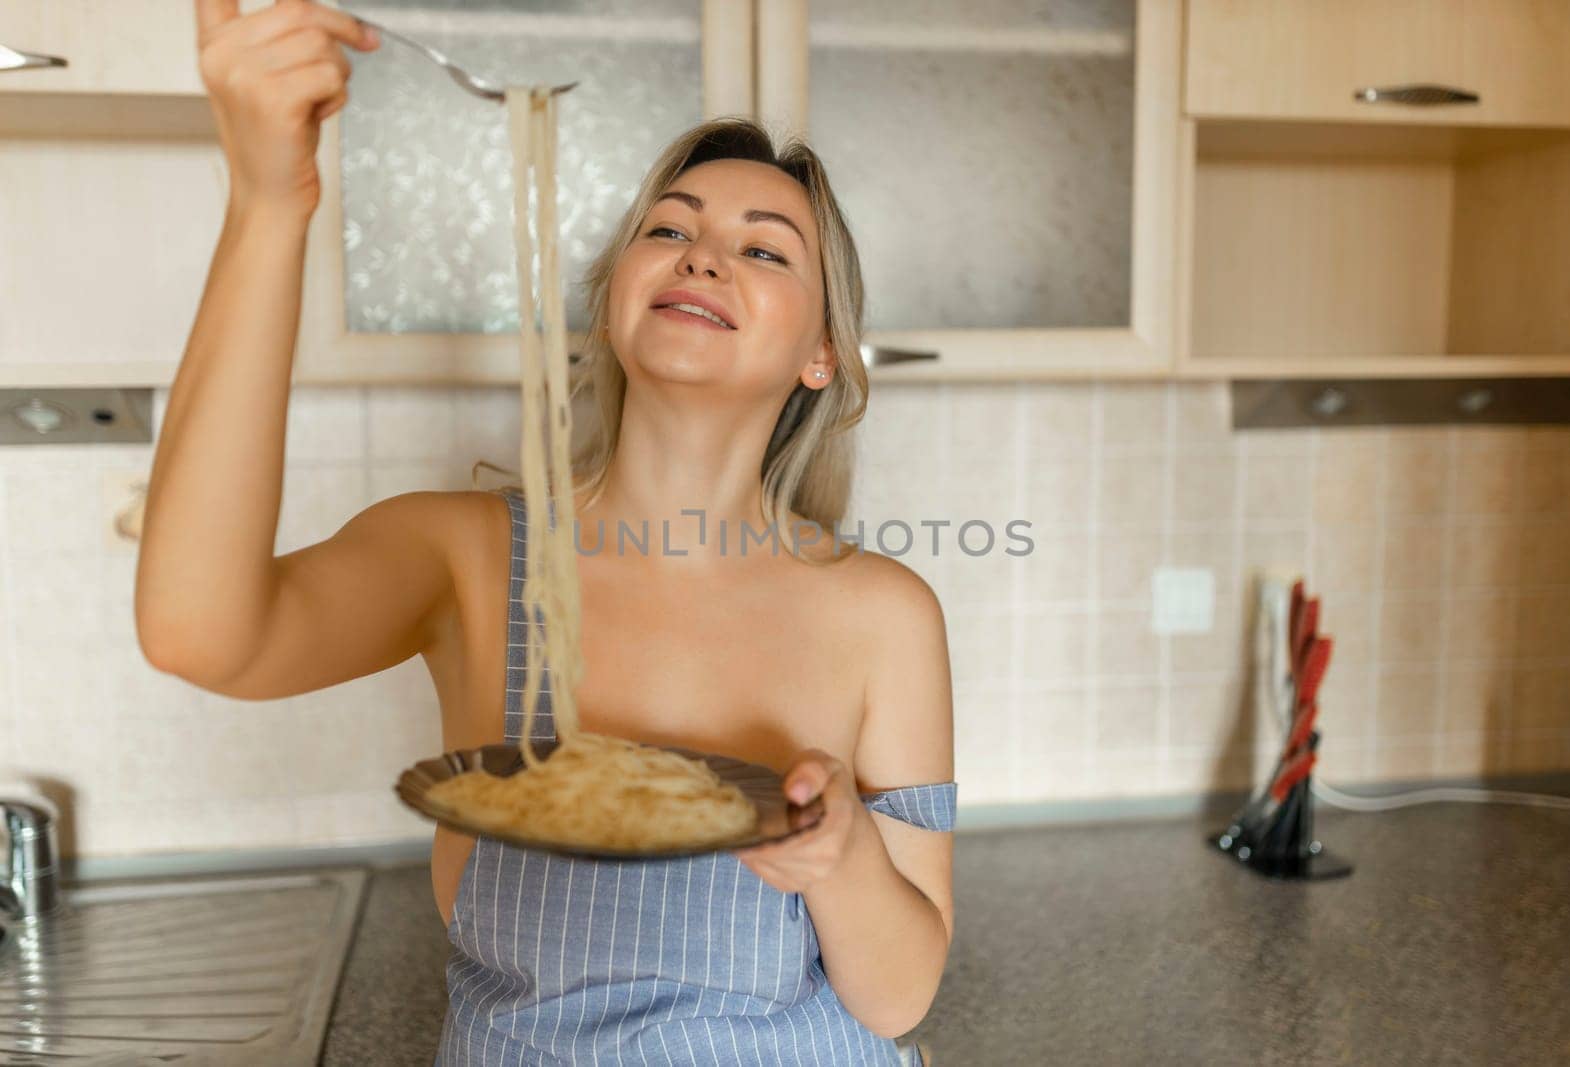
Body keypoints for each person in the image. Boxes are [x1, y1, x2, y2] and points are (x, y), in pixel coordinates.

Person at [137, 3, 957, 1063]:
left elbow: (899, 997)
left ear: (822, 354)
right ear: (613, 297)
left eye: (763, 250)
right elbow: (200, 633)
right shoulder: (466, 557)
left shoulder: (880, 612)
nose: (701, 256)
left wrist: (842, 856)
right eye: (668, 228)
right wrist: (267, 203)